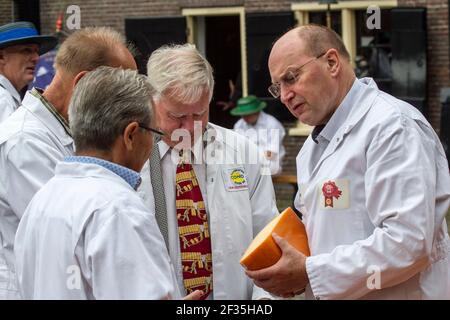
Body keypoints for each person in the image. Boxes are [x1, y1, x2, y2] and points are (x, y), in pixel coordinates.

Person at [246, 24, 450, 299]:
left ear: (331, 63)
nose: (284, 96)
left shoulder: (392, 127)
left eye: (291, 77)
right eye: (277, 87)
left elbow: (408, 242)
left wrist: (310, 272)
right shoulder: (311, 148)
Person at [15, 66, 201, 300]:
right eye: (154, 134)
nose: (153, 144)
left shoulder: (41, 200)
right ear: (130, 135)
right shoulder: (120, 210)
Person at [0, 27, 137, 299]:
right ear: (83, 83)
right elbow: (75, 230)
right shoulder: (23, 142)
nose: (129, 106)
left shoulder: (66, 129)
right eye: (120, 94)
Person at [140, 44, 279, 300]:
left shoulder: (243, 153)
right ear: (151, 100)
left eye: (200, 113)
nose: (190, 127)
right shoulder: (131, 160)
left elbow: (268, 236)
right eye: (177, 115)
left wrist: (264, 300)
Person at [0, 21, 57, 123]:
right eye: (26, 50)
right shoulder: (2, 100)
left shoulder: (7, 96)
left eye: (36, 51)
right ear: (1, 57)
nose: (36, 58)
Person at [231, 95, 286, 175]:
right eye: (243, 115)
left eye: (248, 114)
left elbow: (272, 154)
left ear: (256, 111)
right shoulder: (239, 125)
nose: (245, 118)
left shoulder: (273, 124)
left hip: (270, 164)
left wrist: (252, 157)